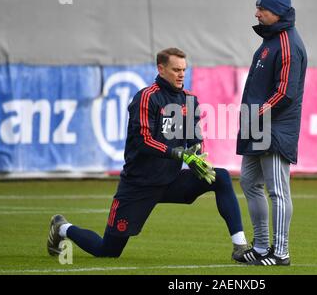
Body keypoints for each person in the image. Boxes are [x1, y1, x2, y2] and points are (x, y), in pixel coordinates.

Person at [47, 47, 249, 260]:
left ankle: (240, 247)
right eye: (176, 69)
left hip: (171, 181)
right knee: (108, 251)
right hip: (139, 185)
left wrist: (197, 158)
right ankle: (62, 228)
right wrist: (180, 155)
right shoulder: (146, 97)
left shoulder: (190, 100)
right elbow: (144, 141)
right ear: (161, 69)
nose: (181, 74)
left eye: (184, 69)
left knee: (221, 177)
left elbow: (196, 139)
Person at [234, 0, 307, 266]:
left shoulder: (287, 42)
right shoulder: (271, 40)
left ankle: (281, 251)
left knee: (277, 189)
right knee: (250, 182)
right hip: (258, 126)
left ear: (276, 11)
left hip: (275, 129)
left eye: (261, 9)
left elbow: (285, 92)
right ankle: (262, 247)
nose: (256, 13)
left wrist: (257, 114)